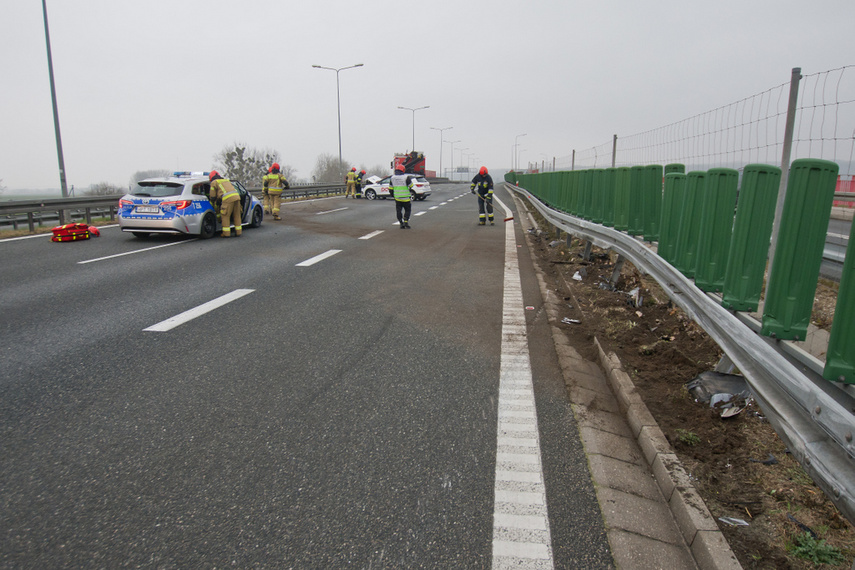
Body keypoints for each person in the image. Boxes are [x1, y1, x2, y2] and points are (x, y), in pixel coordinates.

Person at [209, 170, 242, 237]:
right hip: (237, 197)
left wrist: (214, 202)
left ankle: (226, 233)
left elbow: (212, 196)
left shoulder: (214, 182)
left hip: (227, 199)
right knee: (237, 215)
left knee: (225, 216)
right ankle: (238, 232)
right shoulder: (226, 180)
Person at [390, 164, 415, 229]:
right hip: (406, 198)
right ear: (403, 170)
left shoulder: (392, 178)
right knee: (407, 210)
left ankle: (401, 223)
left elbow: (390, 188)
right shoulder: (406, 177)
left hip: (397, 198)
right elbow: (411, 185)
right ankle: (406, 221)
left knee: (399, 211)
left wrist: (393, 195)